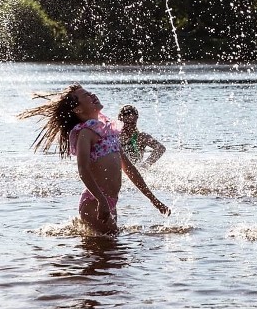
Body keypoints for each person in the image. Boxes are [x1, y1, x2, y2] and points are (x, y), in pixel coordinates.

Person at [18, 84, 170, 235]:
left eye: (90, 93)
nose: (92, 95)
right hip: (94, 202)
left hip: (110, 201)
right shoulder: (85, 133)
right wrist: (101, 201)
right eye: (86, 96)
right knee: (112, 247)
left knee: (108, 252)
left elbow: (130, 170)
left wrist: (154, 200)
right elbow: (82, 169)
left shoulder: (109, 132)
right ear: (78, 109)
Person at [118, 104, 166, 169]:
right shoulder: (114, 135)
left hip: (135, 169)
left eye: (133, 123)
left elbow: (160, 148)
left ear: (136, 119)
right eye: (127, 123)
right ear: (120, 120)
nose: (130, 127)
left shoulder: (141, 137)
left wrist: (146, 165)